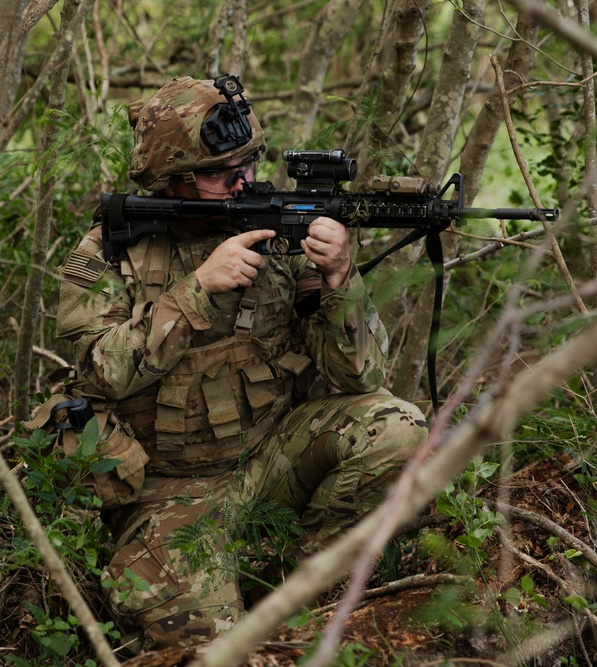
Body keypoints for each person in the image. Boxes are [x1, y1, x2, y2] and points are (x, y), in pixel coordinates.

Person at [53, 74, 429, 652]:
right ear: (169, 179)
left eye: (249, 164)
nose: (241, 182)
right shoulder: (109, 250)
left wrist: (337, 278)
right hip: (167, 491)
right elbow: (97, 372)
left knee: (398, 430)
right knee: (209, 652)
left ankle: (293, 582)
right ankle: (221, 583)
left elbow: (362, 378)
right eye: (217, 174)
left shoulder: (280, 236)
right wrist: (196, 290)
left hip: (272, 458)